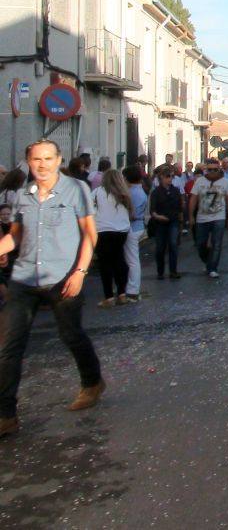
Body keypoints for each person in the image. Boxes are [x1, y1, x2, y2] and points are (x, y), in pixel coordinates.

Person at [0, 139, 105, 437]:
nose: (42, 164)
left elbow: (89, 234)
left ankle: (92, 382)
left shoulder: (76, 190)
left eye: (48, 158)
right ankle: (5, 414)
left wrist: (81, 272)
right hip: (23, 278)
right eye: (36, 159)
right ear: (28, 162)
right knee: (9, 346)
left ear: (59, 160)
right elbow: (16, 238)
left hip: (63, 276)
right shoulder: (23, 196)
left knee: (71, 334)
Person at [92, 168, 133, 307]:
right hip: (121, 230)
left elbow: (91, 210)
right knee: (119, 260)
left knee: (105, 264)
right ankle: (122, 293)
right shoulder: (124, 194)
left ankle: (108, 296)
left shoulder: (98, 192)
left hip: (103, 230)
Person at [189, 160, 228, 279]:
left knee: (217, 243)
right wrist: (191, 216)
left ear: (219, 169)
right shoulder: (199, 181)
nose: (212, 172)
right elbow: (193, 198)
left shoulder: (225, 182)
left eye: (215, 169)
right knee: (200, 244)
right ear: (206, 170)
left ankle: (213, 268)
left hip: (219, 217)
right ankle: (208, 261)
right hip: (202, 218)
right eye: (210, 170)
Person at [149, 166, 184, 280]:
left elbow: (180, 207)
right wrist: (159, 217)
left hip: (173, 221)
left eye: (171, 177)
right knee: (160, 248)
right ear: (161, 178)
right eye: (167, 177)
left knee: (173, 245)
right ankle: (160, 271)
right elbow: (152, 210)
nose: (170, 179)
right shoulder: (156, 193)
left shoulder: (175, 191)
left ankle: (173, 271)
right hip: (160, 223)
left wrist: (181, 221)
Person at [123, 166, 149, 301]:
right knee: (132, 259)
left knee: (132, 260)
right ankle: (130, 286)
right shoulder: (140, 191)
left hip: (132, 226)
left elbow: (130, 213)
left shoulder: (132, 193)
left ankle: (133, 289)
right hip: (137, 226)